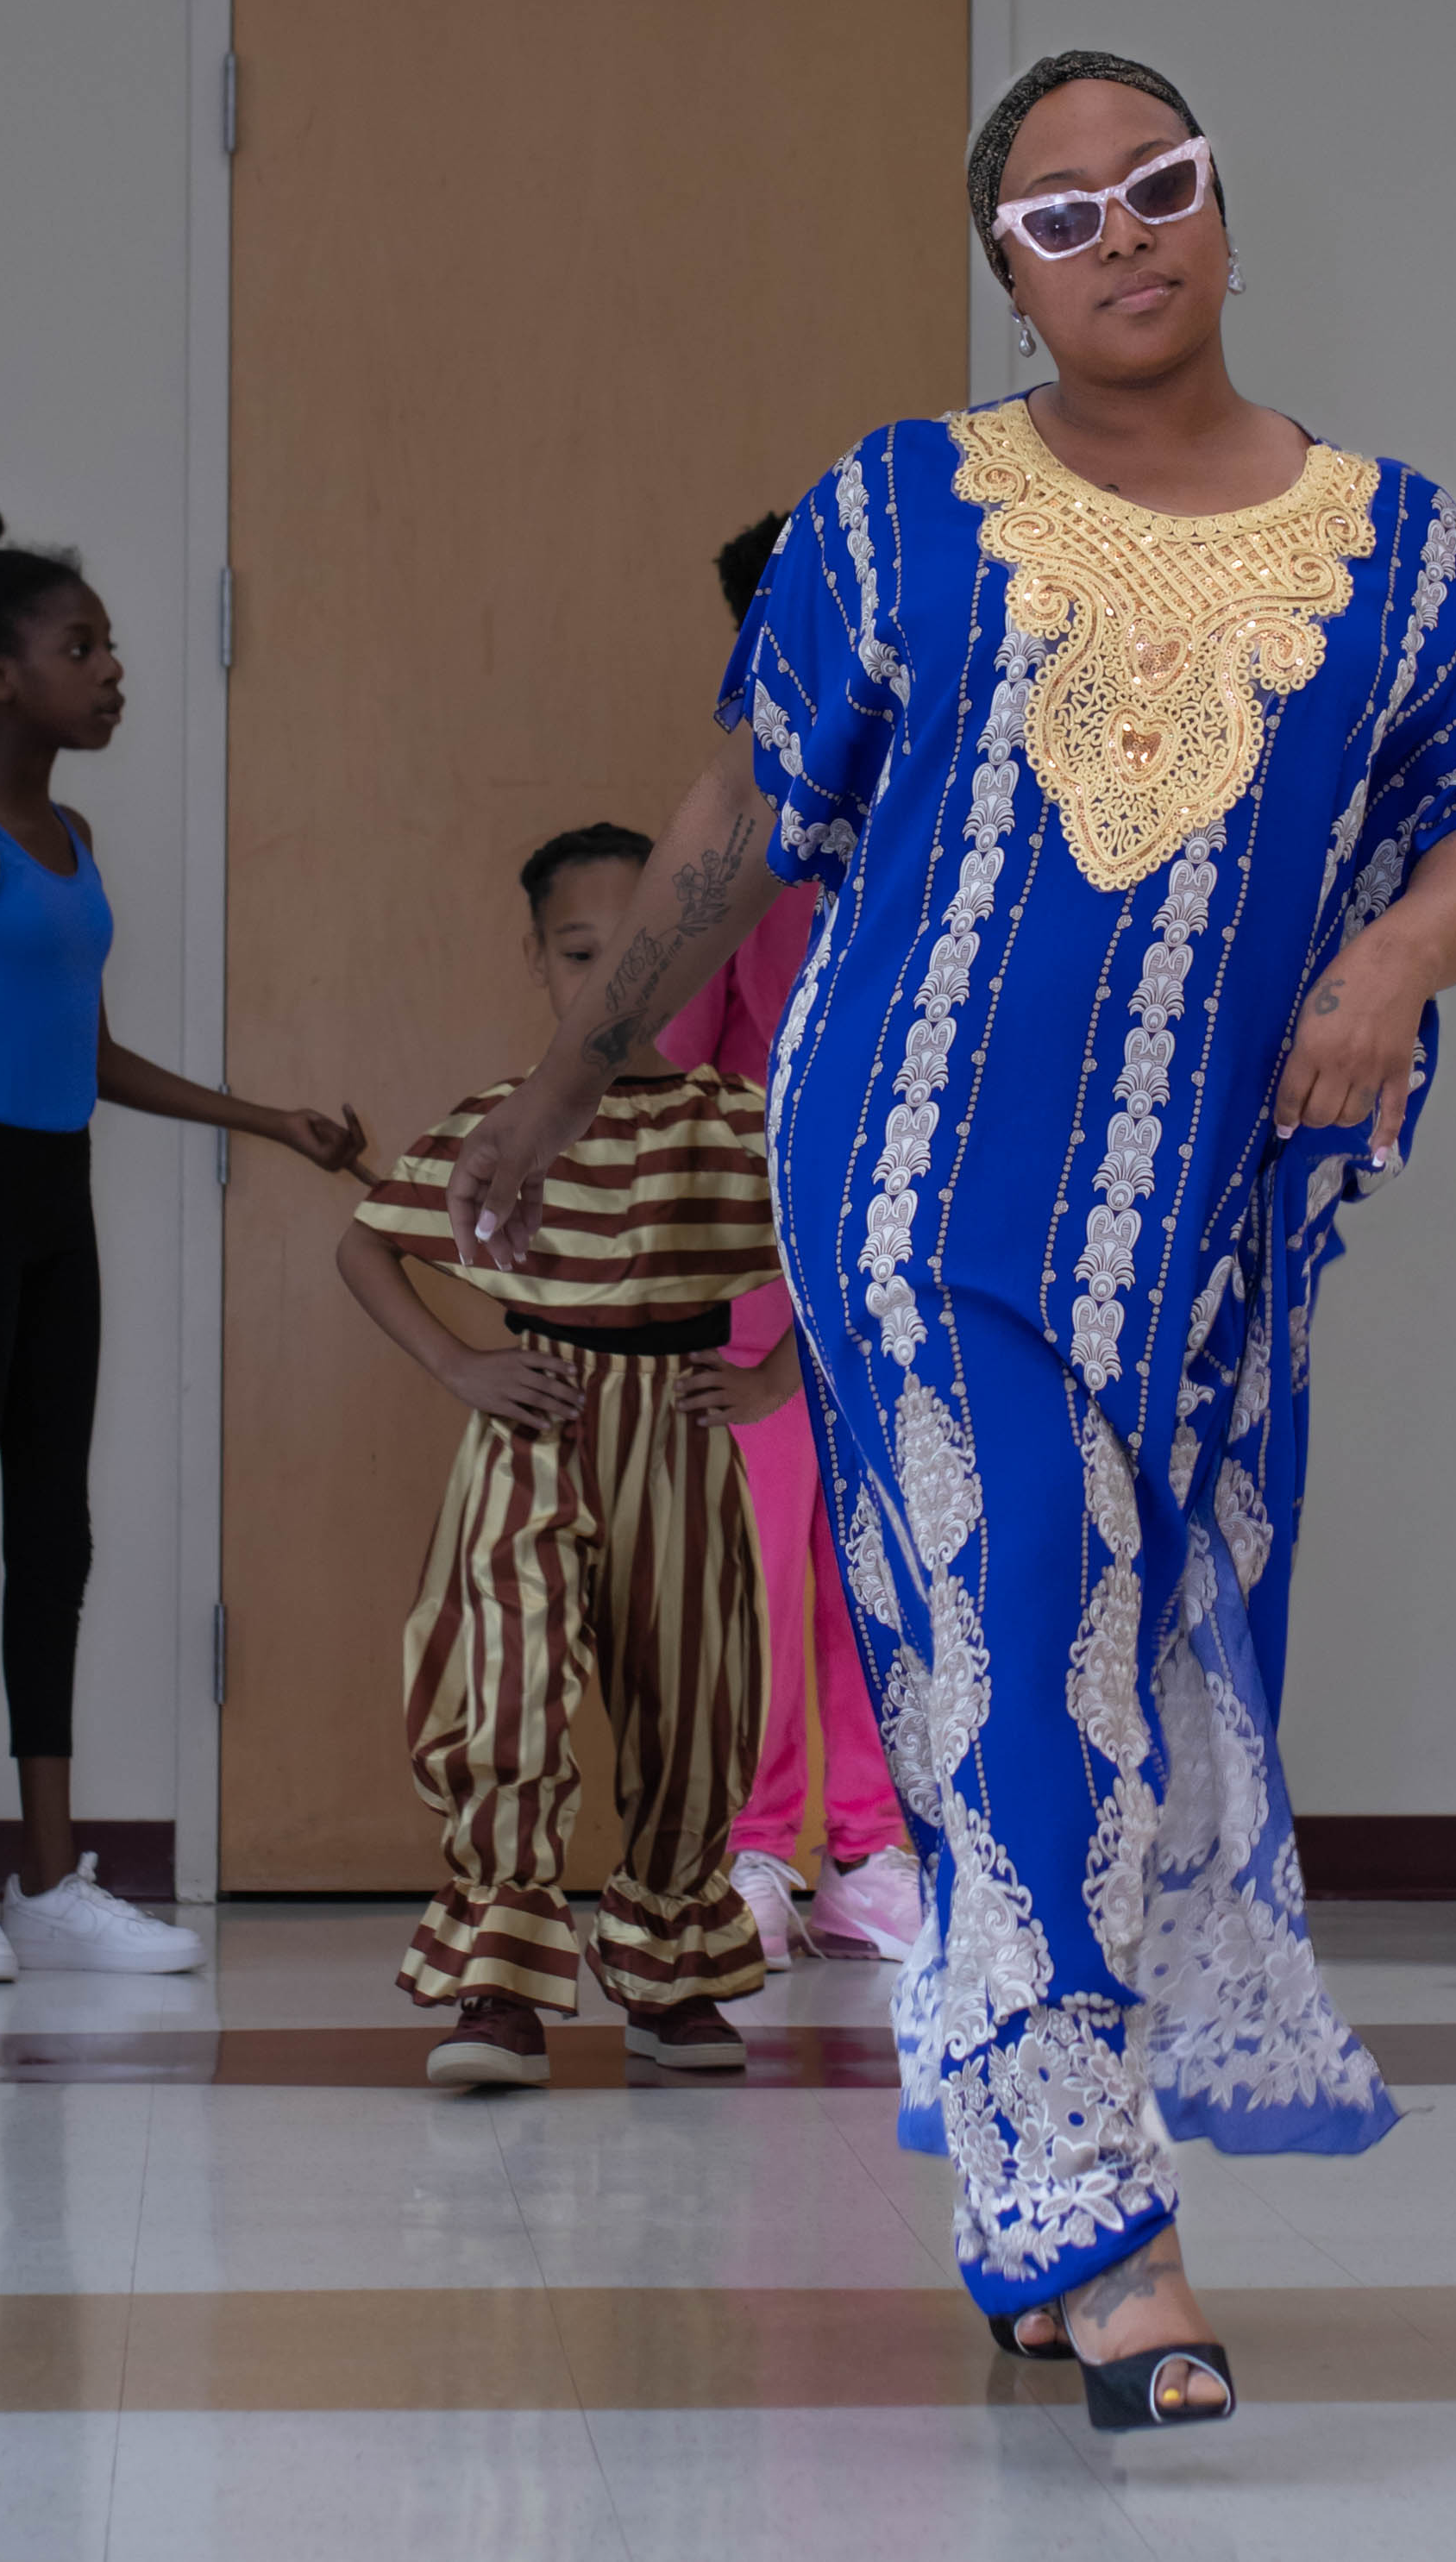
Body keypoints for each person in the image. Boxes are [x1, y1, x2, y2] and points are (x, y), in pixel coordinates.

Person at [443, 52, 1456, 2428]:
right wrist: (565, 1079)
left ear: (1225, 216)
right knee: (1025, 1615)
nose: (1120, 230)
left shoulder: (1400, 543)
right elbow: (742, 810)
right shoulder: (898, 508)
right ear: (1008, 278)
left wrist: (1391, 963)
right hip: (917, 1175)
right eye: (1059, 211)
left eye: (1158, 184)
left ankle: (1029, 2181)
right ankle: (1104, 2230)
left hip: (1205, 1219)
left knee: (1094, 1683)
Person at [0, 490, 364, 1984]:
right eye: (81, 649)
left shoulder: (74, 838)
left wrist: (268, 1119)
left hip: (56, 1201)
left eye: (109, 648)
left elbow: (89, 1058)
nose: (112, 673)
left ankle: (48, 1880)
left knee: (57, 1531)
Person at [338, 823, 793, 2084]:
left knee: (696, 1694)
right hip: (532, 1432)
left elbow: (853, 1254)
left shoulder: (733, 1124)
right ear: (537, 960)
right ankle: (498, 1988)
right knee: (503, 1678)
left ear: (690, 955)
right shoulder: (503, 1122)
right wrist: (461, 1366)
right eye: (581, 954)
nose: (609, 980)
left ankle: (672, 1972)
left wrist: (767, 1382)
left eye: (638, 951)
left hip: (681, 1439)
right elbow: (366, 1244)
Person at [660, 513, 924, 1974]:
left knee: (880, 1561)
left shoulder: (941, 817)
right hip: (760, 1273)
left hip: (903, 1263)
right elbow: (677, 1074)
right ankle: (757, 1849)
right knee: (762, 1566)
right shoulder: (736, 839)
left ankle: (875, 1854)